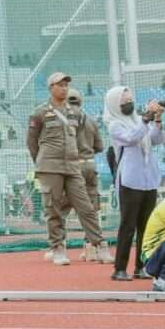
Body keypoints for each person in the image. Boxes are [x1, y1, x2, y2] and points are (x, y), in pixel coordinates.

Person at [28, 73, 107, 265]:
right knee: (53, 208)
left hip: (72, 166)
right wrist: (42, 162)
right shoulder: (39, 113)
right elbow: (31, 142)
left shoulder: (77, 114)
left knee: (86, 206)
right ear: (51, 88)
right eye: (60, 85)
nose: (64, 88)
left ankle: (99, 245)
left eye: (66, 85)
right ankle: (58, 248)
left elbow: (78, 137)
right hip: (50, 165)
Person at [102, 86, 164, 282]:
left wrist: (157, 119)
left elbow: (156, 139)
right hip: (130, 179)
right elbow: (131, 138)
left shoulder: (138, 119)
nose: (128, 104)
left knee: (146, 225)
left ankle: (142, 266)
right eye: (123, 101)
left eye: (130, 100)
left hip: (149, 178)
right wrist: (146, 118)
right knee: (128, 225)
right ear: (114, 105)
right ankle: (120, 268)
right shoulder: (114, 124)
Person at [65, 88, 106, 260]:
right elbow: (100, 147)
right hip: (90, 165)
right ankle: (91, 247)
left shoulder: (65, 120)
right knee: (91, 208)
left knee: (61, 207)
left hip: (73, 167)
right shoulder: (91, 120)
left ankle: (58, 245)